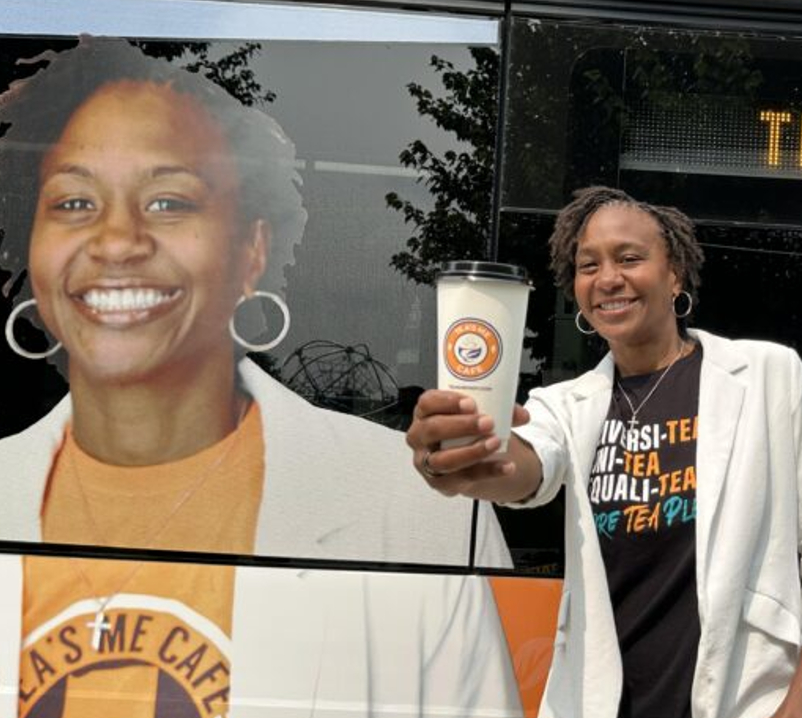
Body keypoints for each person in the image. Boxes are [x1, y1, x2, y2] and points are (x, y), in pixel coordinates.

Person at [0, 38, 518, 717]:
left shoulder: (420, 511)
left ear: (252, 252)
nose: (116, 241)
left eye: (168, 202)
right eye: (72, 203)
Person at [409, 186, 802, 718]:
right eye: (589, 265)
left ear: (674, 273)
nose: (608, 279)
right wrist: (460, 461)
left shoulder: (767, 376)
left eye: (629, 258)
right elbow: (525, 464)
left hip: (744, 704)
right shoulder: (567, 404)